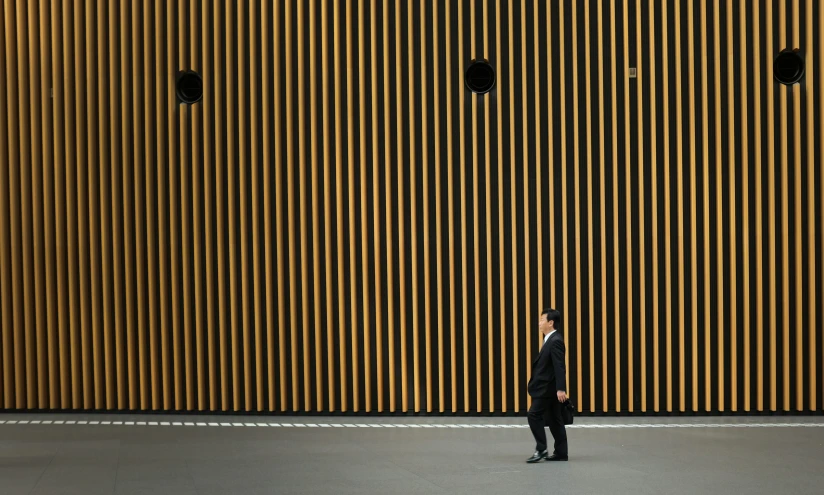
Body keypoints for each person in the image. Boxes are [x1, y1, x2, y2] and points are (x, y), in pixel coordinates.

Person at [525, 308, 569, 463]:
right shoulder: (550, 339)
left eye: (542, 320)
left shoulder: (555, 341)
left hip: (547, 389)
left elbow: (559, 366)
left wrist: (561, 389)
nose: (539, 323)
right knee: (554, 418)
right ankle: (561, 452)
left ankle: (541, 449)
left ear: (551, 323)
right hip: (549, 388)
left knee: (534, 415)